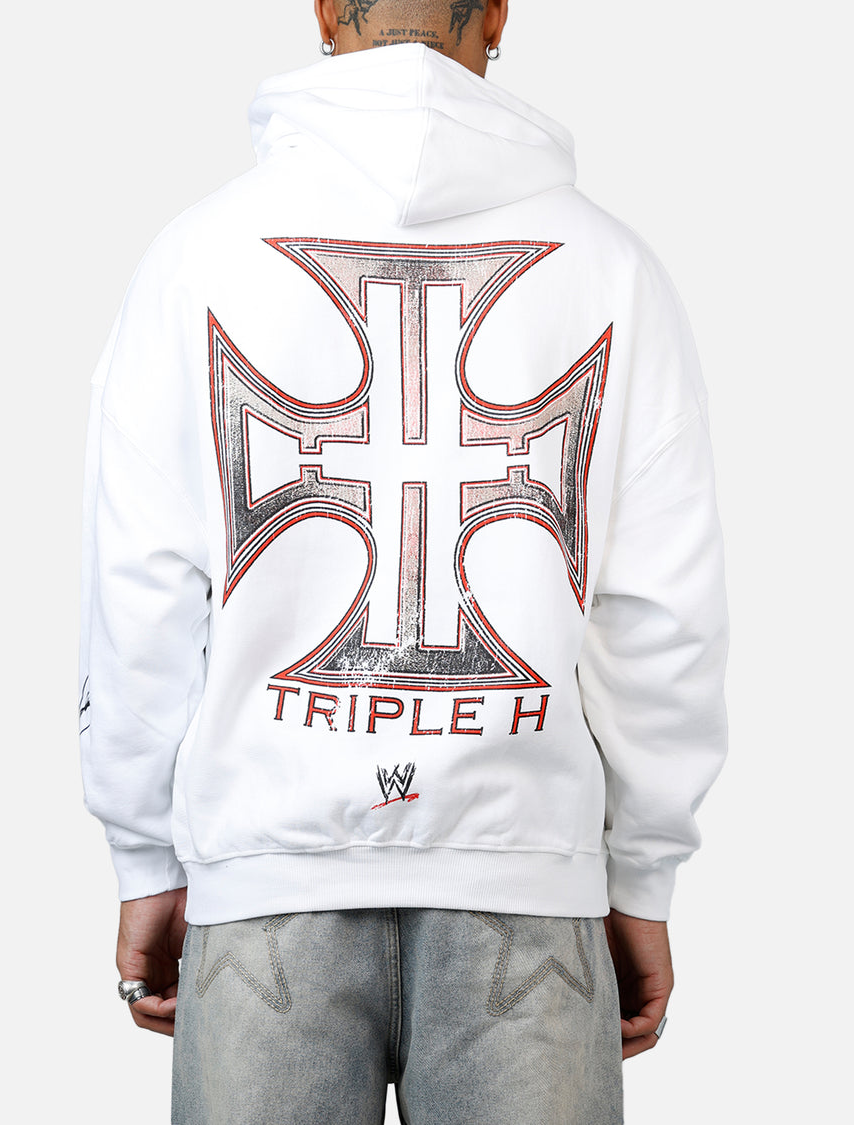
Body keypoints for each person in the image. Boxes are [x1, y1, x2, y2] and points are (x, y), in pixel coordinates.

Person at [79, 2, 729, 1121]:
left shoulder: (198, 256)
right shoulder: (610, 267)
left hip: (266, 876)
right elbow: (660, 612)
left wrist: (147, 856)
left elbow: (140, 587)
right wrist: (641, 874)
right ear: (499, 14)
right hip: (526, 881)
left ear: (325, 9)